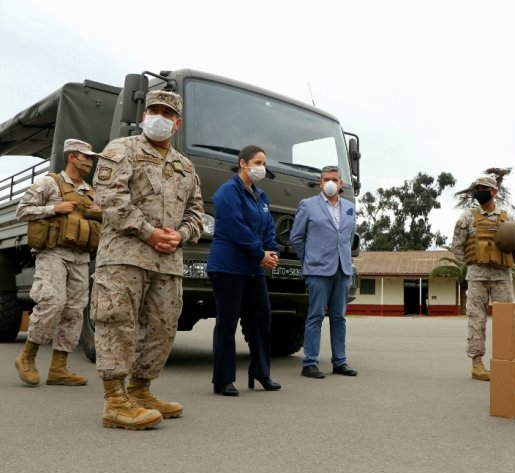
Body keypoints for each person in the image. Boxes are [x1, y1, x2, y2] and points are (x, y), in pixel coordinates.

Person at [92, 90, 204, 430]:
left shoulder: (185, 166)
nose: (159, 116)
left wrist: (181, 234)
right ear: (144, 116)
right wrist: (148, 231)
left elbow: (197, 212)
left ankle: (140, 391)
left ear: (177, 122)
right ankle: (114, 400)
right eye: (153, 110)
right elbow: (110, 197)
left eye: (167, 113)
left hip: (168, 262)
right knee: (116, 323)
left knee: (162, 328)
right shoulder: (120, 149)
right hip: (124, 256)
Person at [14, 139, 102, 387]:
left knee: (74, 310)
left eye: (91, 158)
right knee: (53, 301)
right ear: (72, 157)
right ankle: (27, 357)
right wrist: (55, 208)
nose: (90, 162)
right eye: (86, 157)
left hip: (81, 257)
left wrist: (97, 211)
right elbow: (23, 210)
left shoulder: (90, 191)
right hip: (53, 252)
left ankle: (59, 367)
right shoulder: (49, 183)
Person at [207, 145, 280, 396]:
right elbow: (234, 226)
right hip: (228, 266)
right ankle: (223, 379)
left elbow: (268, 226)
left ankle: (261, 372)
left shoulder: (261, 195)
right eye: (257, 162)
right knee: (227, 322)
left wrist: (271, 251)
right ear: (243, 163)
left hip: (253, 267)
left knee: (262, 318)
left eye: (263, 163)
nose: (261, 167)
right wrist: (259, 253)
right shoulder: (227, 192)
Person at [451, 175, 515, 381]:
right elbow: (457, 248)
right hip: (477, 277)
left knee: (507, 319)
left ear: (494, 191)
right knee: (476, 320)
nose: (478, 191)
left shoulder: (507, 219)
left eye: (483, 188)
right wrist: (473, 263)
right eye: (476, 188)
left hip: (502, 276)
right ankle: (477, 365)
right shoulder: (467, 218)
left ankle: (506, 361)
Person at [290, 165, 358, 379]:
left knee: (339, 318)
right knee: (316, 315)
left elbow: (348, 237)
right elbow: (296, 238)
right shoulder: (308, 205)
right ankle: (309, 362)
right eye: (326, 179)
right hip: (318, 270)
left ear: (341, 183)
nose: (331, 182)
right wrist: (309, 260)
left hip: (342, 270)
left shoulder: (349, 207)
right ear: (321, 183)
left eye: (335, 179)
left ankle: (340, 361)